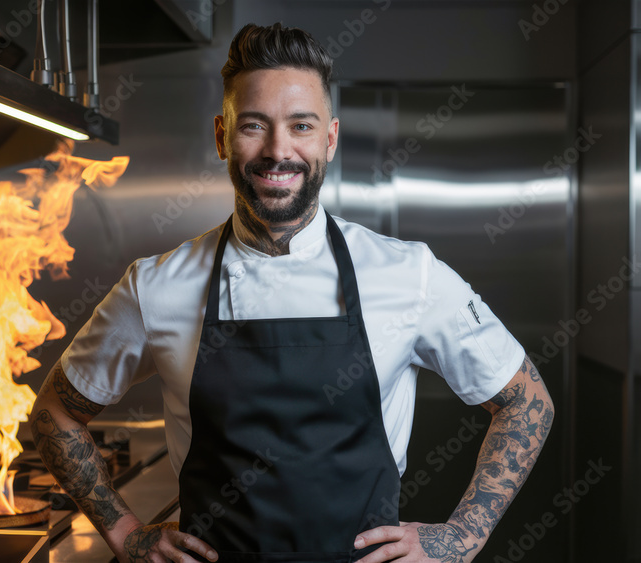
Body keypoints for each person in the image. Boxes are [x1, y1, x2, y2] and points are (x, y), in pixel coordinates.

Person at [30, 22, 553, 563]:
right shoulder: (156, 285)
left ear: (329, 137)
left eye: (300, 126)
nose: (278, 150)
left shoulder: (407, 273)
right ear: (221, 136)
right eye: (253, 126)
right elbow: (55, 412)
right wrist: (127, 534)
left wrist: (461, 538)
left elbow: (527, 402)